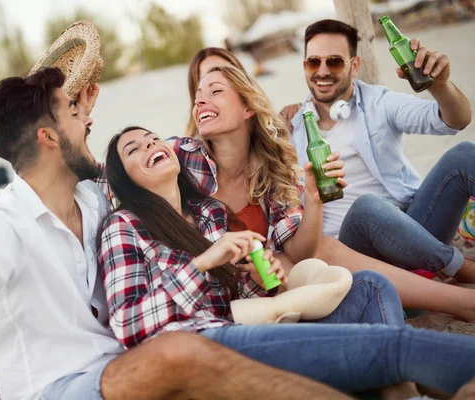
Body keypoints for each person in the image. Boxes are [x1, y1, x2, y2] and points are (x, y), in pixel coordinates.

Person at [0, 67, 353, 400]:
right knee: (187, 353)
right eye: (74, 114)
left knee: (353, 299)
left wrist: (275, 149)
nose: (89, 119)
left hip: (126, 365)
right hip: (62, 386)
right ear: (47, 137)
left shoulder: (95, 197)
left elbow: (164, 172)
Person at [99, 125, 475, 397]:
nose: (148, 143)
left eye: (151, 137)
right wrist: (202, 264)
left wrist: (266, 282)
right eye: (133, 149)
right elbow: (128, 324)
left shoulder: (208, 213)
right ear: (124, 180)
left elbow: (238, 295)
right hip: (208, 345)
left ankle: (398, 390)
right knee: (396, 346)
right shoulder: (124, 226)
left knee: (370, 287)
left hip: (242, 324)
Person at [177, 54, 475, 321]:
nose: (201, 101)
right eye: (197, 94)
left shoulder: (275, 169)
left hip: (314, 271)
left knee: (327, 243)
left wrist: (314, 199)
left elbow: (301, 250)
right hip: (240, 296)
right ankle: (456, 291)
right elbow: (138, 161)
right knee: (317, 250)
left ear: (247, 107)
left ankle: (455, 297)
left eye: (216, 91)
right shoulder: (181, 159)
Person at [282, 19, 475, 284]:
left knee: (464, 155)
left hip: (414, 230)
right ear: (305, 66)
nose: (322, 71)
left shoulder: (379, 102)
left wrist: (440, 86)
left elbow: (456, 120)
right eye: (313, 62)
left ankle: (436, 262)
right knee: (367, 208)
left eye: (335, 62)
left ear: (355, 66)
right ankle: (457, 266)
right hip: (352, 252)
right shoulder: (290, 127)